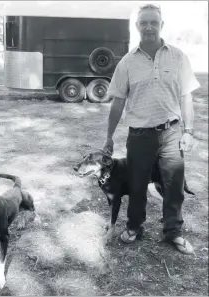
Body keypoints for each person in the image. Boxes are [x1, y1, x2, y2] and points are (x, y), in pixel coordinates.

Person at [102, 4, 200, 255]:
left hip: (171, 133)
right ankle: (135, 227)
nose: (148, 27)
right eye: (143, 22)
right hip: (139, 135)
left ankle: (173, 232)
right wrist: (109, 137)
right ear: (137, 26)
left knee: (174, 184)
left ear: (161, 25)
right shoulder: (126, 62)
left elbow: (186, 96)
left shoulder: (178, 56)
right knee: (136, 185)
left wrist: (188, 131)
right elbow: (119, 102)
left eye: (153, 22)